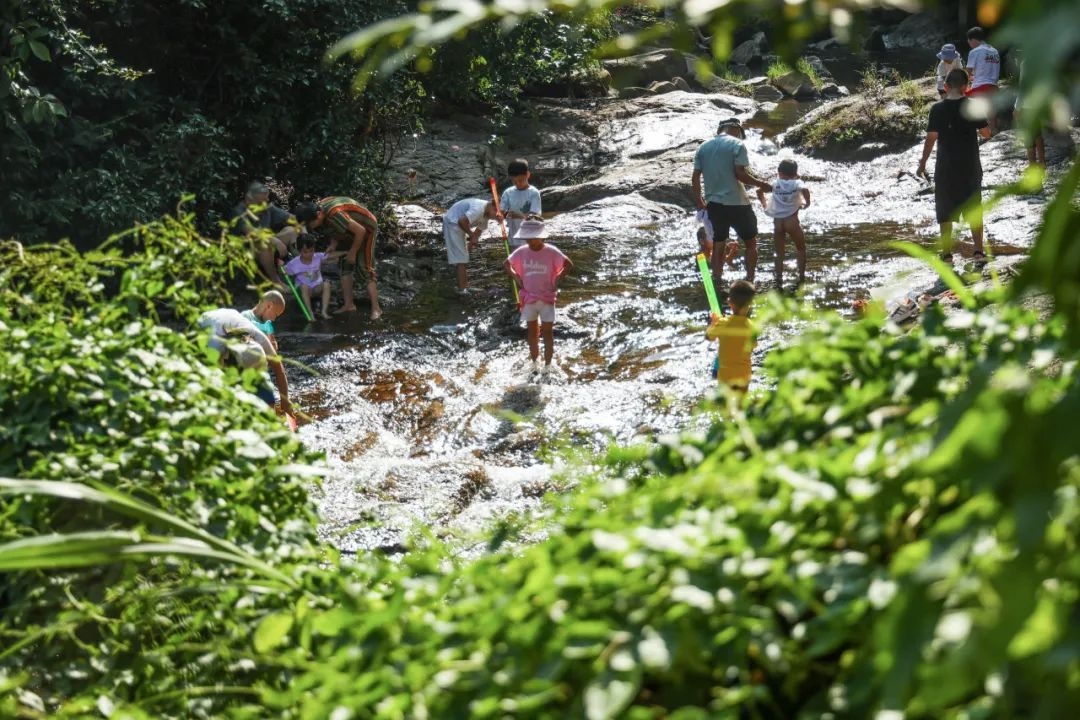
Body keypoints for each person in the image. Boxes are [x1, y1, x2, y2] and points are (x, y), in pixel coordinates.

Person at [917, 68, 988, 268]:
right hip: (970, 166)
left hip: (946, 167)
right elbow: (985, 133)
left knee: (945, 211)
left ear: (946, 86)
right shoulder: (973, 107)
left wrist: (922, 163)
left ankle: (947, 255)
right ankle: (978, 252)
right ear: (967, 87)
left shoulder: (937, 109)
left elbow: (931, 138)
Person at [691, 117, 773, 288]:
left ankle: (717, 280)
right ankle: (750, 280)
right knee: (751, 243)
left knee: (719, 242)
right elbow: (740, 174)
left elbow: (696, 176)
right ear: (737, 130)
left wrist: (699, 199)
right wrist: (762, 184)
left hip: (714, 204)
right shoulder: (737, 144)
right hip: (738, 203)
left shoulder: (703, 147)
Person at [293, 198, 383, 319]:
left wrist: (353, 252)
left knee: (365, 268)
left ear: (318, 215)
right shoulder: (321, 211)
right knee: (344, 265)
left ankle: (376, 308)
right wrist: (333, 244)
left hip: (367, 229)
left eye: (310, 224)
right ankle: (349, 304)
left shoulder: (335, 214)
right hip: (351, 231)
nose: (310, 227)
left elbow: (360, 231)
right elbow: (335, 229)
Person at [504, 219, 572, 375]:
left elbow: (568, 264)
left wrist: (558, 278)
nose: (529, 241)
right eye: (527, 239)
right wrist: (516, 277)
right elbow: (506, 264)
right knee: (532, 332)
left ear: (542, 237)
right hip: (529, 298)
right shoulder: (522, 251)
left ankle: (548, 365)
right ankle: (535, 363)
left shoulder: (551, 251)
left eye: (532, 238)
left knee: (548, 332)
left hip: (547, 298)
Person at [197, 304, 293, 415]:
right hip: (207, 326)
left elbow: (279, 370)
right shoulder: (212, 350)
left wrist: (285, 402)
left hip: (230, 319)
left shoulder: (260, 339)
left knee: (266, 398)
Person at [229, 181, 299, 288]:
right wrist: (275, 241)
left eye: (266, 199)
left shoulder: (267, 206)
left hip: (267, 245)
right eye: (261, 202)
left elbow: (292, 219)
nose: (265, 203)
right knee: (265, 244)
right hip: (247, 252)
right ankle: (276, 282)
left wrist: (303, 234)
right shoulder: (238, 212)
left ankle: (302, 265)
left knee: (291, 231)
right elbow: (253, 234)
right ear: (249, 200)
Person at [756, 159, 811, 290]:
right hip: (791, 221)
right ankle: (802, 277)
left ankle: (779, 277)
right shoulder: (797, 182)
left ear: (779, 172)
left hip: (778, 223)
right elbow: (805, 189)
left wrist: (761, 198)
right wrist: (807, 201)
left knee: (779, 252)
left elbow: (764, 194)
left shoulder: (776, 183)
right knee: (801, 248)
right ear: (795, 173)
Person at [705, 279, 756, 396]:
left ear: (729, 302)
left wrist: (713, 324)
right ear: (750, 305)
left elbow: (709, 337)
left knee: (726, 407)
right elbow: (752, 347)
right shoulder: (752, 326)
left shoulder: (722, 323)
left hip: (725, 375)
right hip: (744, 375)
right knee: (741, 405)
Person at [443, 197, 499, 292]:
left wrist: (471, 243)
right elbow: (462, 221)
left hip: (460, 223)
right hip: (452, 221)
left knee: (464, 257)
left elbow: (480, 229)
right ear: (493, 207)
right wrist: (472, 235)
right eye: (496, 215)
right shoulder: (478, 209)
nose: (495, 218)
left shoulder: (486, 212)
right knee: (462, 259)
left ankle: (464, 286)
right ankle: (462, 290)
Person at [283, 234, 344, 320]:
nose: (309, 254)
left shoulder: (317, 257)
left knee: (326, 284)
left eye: (311, 251)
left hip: (316, 288)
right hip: (303, 291)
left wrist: (346, 252)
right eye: (305, 252)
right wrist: (280, 266)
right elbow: (285, 272)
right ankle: (310, 313)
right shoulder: (294, 263)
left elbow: (330, 255)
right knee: (304, 286)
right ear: (299, 251)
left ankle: (324, 312)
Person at [964, 26, 1001, 137]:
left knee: (962, 102)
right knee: (991, 110)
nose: (969, 44)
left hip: (980, 86)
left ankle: (977, 133)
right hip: (994, 86)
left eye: (969, 42)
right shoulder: (994, 51)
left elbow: (967, 72)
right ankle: (993, 131)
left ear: (973, 39)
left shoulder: (975, 51)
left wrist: (969, 78)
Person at [500, 158, 542, 245]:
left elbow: (536, 217)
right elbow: (501, 212)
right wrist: (500, 215)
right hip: (513, 240)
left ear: (527, 174)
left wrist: (520, 215)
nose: (518, 184)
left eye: (520, 180)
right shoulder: (508, 193)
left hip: (530, 242)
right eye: (514, 181)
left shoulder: (533, 193)